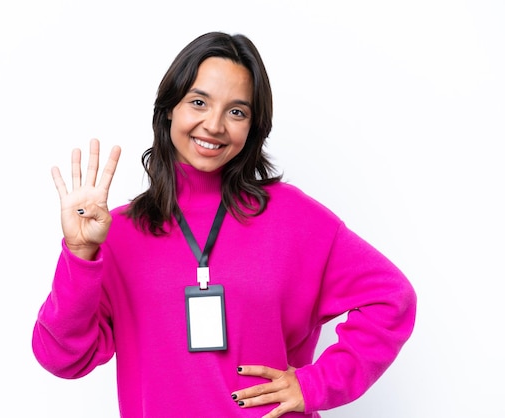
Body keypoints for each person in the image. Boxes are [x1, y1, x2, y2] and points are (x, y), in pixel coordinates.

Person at [32, 31, 417, 418]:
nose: (214, 125)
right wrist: (80, 255)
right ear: (170, 108)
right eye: (198, 102)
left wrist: (314, 384)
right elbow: (61, 358)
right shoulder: (117, 234)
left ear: (253, 125)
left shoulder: (295, 219)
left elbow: (392, 298)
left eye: (237, 111)